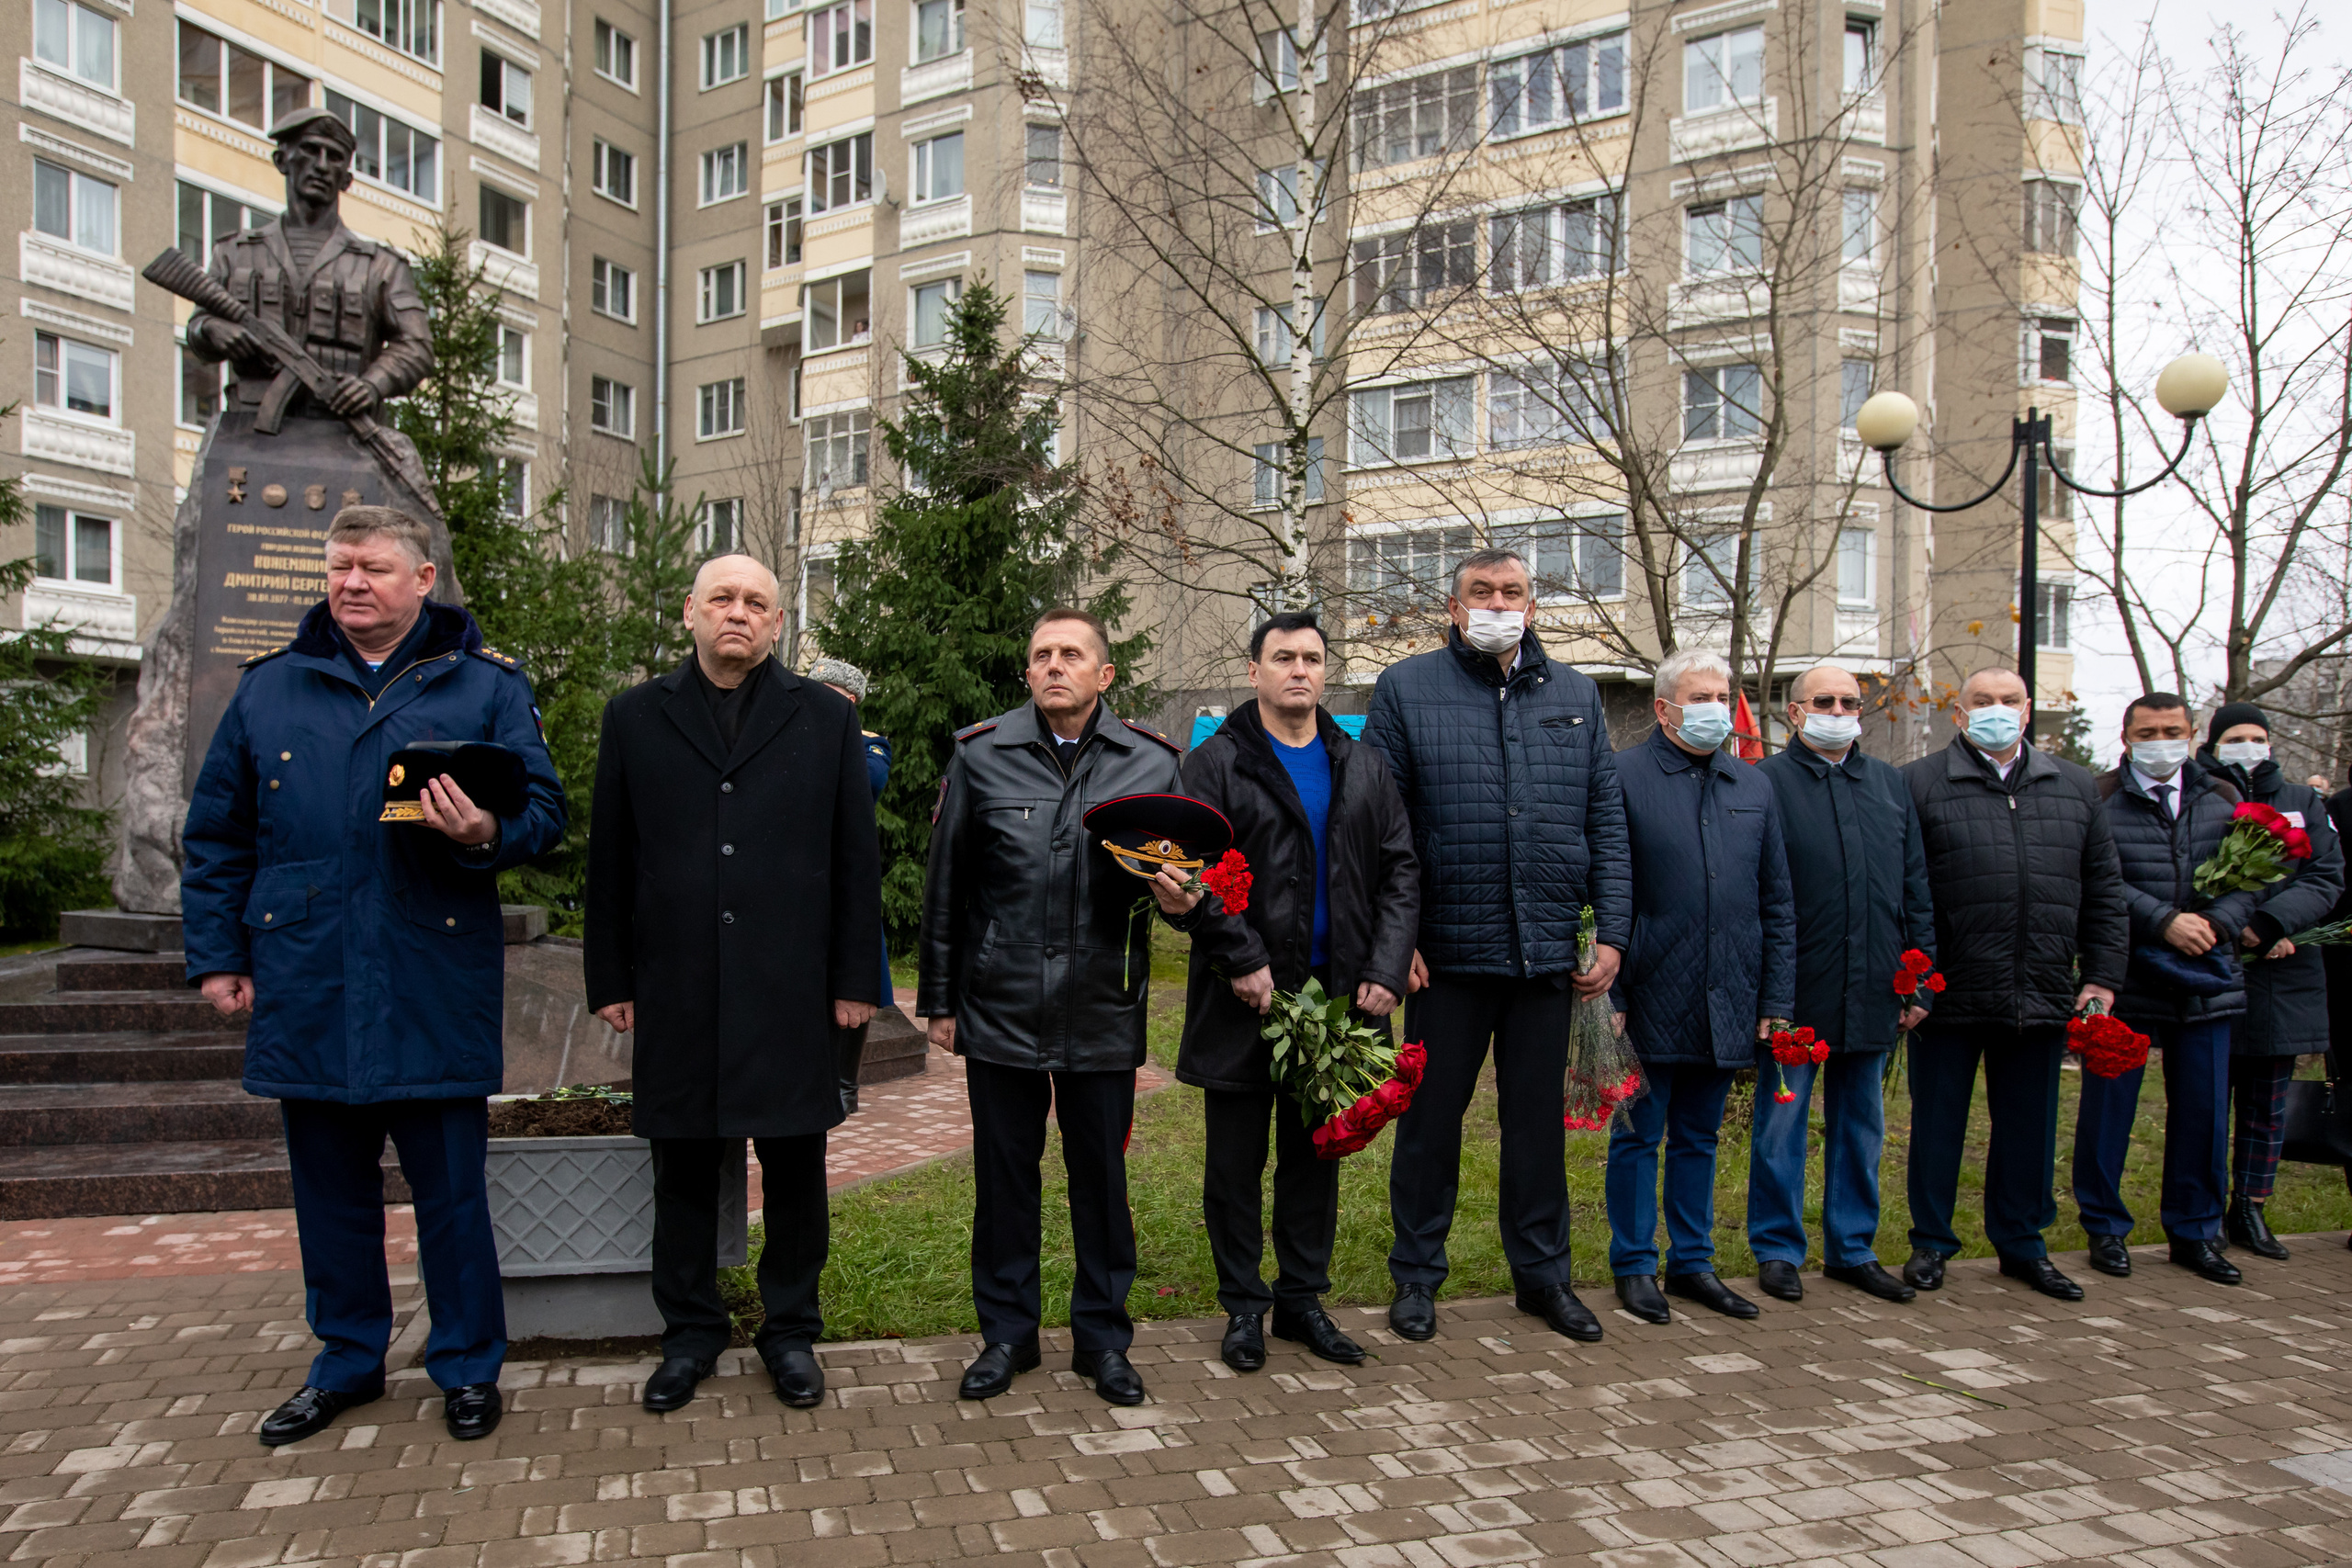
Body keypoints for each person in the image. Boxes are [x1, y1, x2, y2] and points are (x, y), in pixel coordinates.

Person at [181, 506, 566, 1447]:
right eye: (341, 567)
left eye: (375, 567)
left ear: (423, 579)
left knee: (451, 1194)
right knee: (330, 1196)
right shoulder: (270, 691)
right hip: (307, 975)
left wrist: (486, 834)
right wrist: (219, 955)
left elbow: (544, 812)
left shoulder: (481, 689)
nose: (353, 583)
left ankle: (469, 1367)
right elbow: (218, 836)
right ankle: (347, 1361)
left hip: (428, 974)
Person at [584, 555, 883, 1413]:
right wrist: (611, 974)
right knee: (680, 1169)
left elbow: (854, 862)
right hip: (677, 985)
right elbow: (613, 859)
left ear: (778, 623)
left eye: (757, 602)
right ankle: (690, 1334)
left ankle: (790, 1332)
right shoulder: (636, 716)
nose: (738, 614)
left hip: (789, 987)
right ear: (690, 613)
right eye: (723, 599)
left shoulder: (825, 719)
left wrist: (856, 979)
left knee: (796, 1170)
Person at [919, 608, 1202, 1405]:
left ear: (1103, 675)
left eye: (1071, 654)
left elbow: (1189, 883)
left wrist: (1182, 899)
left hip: (1101, 1008)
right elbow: (946, 890)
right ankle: (1008, 1336)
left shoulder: (1150, 761)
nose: (1054, 666)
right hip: (1000, 1004)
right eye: (1041, 654)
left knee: (1100, 1181)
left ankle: (1102, 1340)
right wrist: (940, 1000)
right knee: (1004, 1179)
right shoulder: (982, 756)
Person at [1363, 548, 1632, 1346]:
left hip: (1545, 953)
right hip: (1444, 955)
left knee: (1536, 1128)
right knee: (1430, 1124)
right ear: (1454, 607)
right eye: (1481, 591)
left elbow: (1607, 825)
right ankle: (1416, 1275)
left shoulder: (1577, 695)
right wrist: (1394, 936)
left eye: (1511, 591)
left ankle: (1543, 1276)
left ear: (1532, 607)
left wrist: (1612, 931)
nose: (1497, 602)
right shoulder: (1406, 689)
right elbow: (1378, 822)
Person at [1176, 612, 1419, 1373]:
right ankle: (1244, 1306)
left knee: (1316, 1157)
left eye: (1312, 658)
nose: (1299, 670)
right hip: (1244, 996)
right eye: (1283, 657)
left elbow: (1401, 869)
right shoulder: (1216, 763)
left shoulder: (1362, 762)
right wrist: (1242, 958)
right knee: (1235, 1163)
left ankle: (1302, 1300)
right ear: (1254, 671)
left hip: (1340, 1001)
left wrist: (1384, 966)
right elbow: (1189, 872)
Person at [1901, 668, 2128, 1302]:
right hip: (1948, 994)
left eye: (2008, 701)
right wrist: (1915, 981)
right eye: (1982, 701)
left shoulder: (2074, 785)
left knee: (2030, 1127)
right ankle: (1930, 1242)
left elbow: (2105, 891)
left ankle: (2023, 1243)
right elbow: (1903, 890)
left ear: (2028, 711)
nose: (1996, 710)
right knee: (1938, 1124)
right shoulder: (1919, 783)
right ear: (1959, 712)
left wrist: (2102, 975)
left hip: (2042, 990)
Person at [1603, 649, 1794, 1325]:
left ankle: (1693, 1261)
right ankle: (1633, 1262)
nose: (1717, 707)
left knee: (1700, 1136)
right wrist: (1613, 994)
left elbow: (1777, 900)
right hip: (1648, 991)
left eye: (1723, 694)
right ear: (1664, 708)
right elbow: (1605, 893)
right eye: (1701, 695)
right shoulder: (1622, 777)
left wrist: (1775, 1000)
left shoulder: (1753, 785)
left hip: (1729, 995)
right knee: (1637, 1134)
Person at [1751, 664, 1935, 1304]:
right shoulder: (1764, 784)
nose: (1838, 709)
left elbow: (1915, 888)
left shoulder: (1888, 784)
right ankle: (1777, 1247)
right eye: (1823, 700)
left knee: (1862, 1125)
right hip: (1797, 989)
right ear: (1795, 713)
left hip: (1876, 986)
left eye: (1849, 701)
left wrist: (1920, 979)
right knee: (1782, 1125)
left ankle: (1852, 1247)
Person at [2079, 694, 2267, 1286]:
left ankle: (2195, 1231)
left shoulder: (2224, 798)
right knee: (2108, 1110)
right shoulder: (2099, 799)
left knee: (2204, 1112)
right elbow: (2095, 880)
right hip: (2126, 976)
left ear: (2191, 735)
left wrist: (2220, 923)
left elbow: (2256, 875)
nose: (2161, 740)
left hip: (2205, 977)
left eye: (2173, 730)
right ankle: (2104, 1228)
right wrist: (2162, 920)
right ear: (2127, 735)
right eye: (2148, 731)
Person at [2202, 704, 2341, 1261]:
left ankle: (2252, 1207)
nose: (2250, 746)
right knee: (2207, 1103)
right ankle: (2204, 1211)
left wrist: (2274, 925)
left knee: (2266, 1104)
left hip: (2283, 974)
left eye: (2258, 737)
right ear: (2214, 745)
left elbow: (2327, 877)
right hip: (2213, 964)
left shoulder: (2304, 804)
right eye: (2236, 737)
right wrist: (2235, 930)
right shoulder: (2203, 799)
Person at [808, 656, 895, 1115]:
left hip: (844, 880)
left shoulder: (869, 747)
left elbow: (864, 785)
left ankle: (845, 1083)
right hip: (796, 880)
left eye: (841, 702)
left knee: (864, 968)